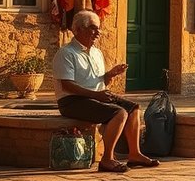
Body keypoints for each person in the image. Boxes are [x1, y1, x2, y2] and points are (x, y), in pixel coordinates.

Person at [53, 10, 159, 172]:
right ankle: (107, 159)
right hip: (72, 101)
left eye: (99, 28)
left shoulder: (97, 52)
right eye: (93, 28)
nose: (98, 32)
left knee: (133, 108)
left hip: (97, 96)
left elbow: (99, 80)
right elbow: (67, 85)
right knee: (119, 113)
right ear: (78, 29)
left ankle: (134, 154)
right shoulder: (66, 53)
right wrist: (96, 95)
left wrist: (110, 75)